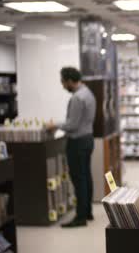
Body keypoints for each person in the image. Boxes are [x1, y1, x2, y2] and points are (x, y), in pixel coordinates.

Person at [45, 67, 96, 228]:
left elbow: (72, 125)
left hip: (77, 142)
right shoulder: (88, 93)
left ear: (68, 80)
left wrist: (54, 125)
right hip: (88, 139)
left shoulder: (76, 98)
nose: (62, 86)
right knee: (86, 176)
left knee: (78, 179)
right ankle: (87, 212)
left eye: (62, 82)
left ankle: (80, 217)